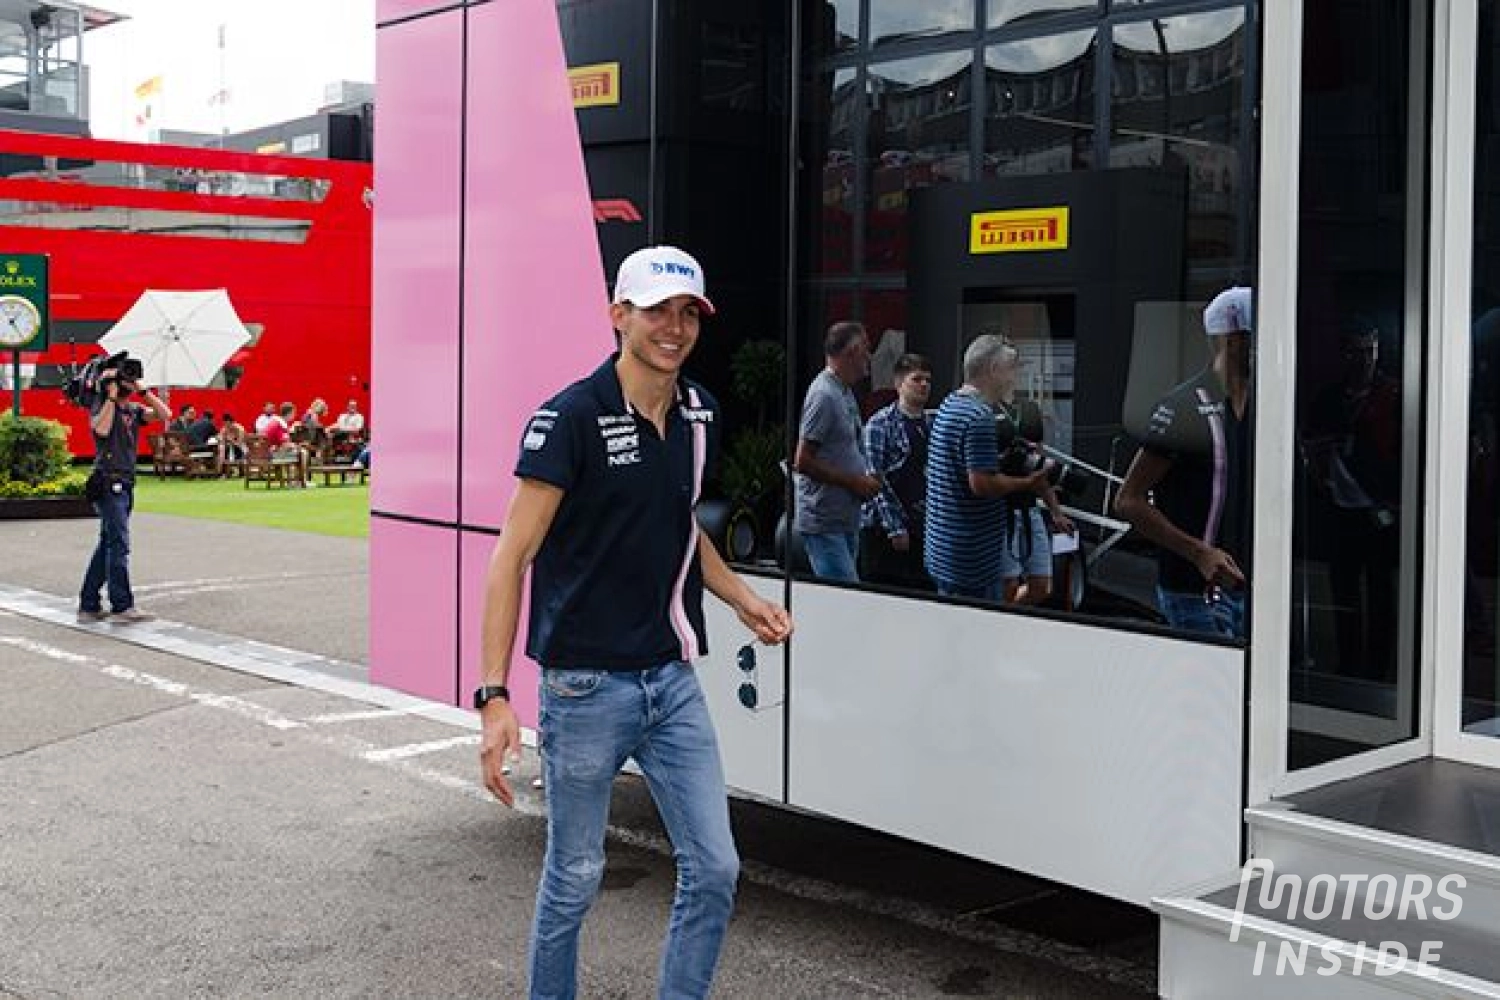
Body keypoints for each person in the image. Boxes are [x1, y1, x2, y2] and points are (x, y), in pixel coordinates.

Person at [476, 245, 793, 1000]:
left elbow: (679, 523)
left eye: (688, 313)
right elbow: (509, 557)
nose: (673, 328)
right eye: (656, 311)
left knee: (715, 868)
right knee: (575, 877)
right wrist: (493, 695)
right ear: (619, 316)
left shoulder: (697, 411)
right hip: (586, 686)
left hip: (671, 682)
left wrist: (744, 599)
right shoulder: (569, 419)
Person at [1115, 286, 1253, 639]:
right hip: (1195, 593)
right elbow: (1128, 500)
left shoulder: (1262, 405)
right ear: (1235, 341)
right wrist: (1199, 553)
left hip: (1252, 591)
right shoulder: (1182, 407)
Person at [1302, 320, 1401, 679]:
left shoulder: (1393, 394)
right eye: (1357, 352)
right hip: (1341, 508)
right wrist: (1322, 478)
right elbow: (1308, 446)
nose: (1364, 359)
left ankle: (1378, 668)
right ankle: (1348, 666)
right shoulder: (1329, 399)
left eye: (1370, 351)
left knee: (1381, 589)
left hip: (1381, 507)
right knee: (1343, 590)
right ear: (1345, 354)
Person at [925, 334, 1054, 601]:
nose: (1014, 377)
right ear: (994, 370)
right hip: (971, 559)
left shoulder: (949, 405)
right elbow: (982, 484)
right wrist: (1028, 483)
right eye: (1011, 369)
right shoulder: (980, 415)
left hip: (942, 550)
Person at [77, 359, 170, 624]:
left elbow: (165, 415)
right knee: (119, 544)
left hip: (126, 482)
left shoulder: (133, 410)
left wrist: (143, 391)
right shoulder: (101, 405)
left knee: (108, 543)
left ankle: (89, 604)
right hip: (108, 481)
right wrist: (110, 396)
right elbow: (101, 428)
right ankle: (121, 606)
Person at [792, 321, 882, 581]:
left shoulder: (844, 391)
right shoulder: (824, 395)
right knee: (844, 597)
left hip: (844, 518)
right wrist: (855, 482)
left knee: (846, 595)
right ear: (852, 351)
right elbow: (803, 460)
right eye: (866, 347)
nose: (869, 355)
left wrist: (866, 479)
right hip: (824, 521)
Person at [990, 341, 1074, 605]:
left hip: (1029, 506)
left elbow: (1039, 464)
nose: (1014, 372)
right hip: (998, 507)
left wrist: (1056, 511)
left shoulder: (1028, 409)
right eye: (1008, 366)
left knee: (1042, 583)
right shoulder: (982, 409)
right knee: (1008, 582)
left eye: (1016, 366)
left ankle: (1012, 616)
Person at [859, 352, 935, 589]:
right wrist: (894, 527)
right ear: (899, 383)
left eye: (927, 381)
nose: (923, 385)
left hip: (923, 527)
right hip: (884, 529)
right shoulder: (880, 424)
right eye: (917, 379)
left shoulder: (932, 424)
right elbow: (875, 478)